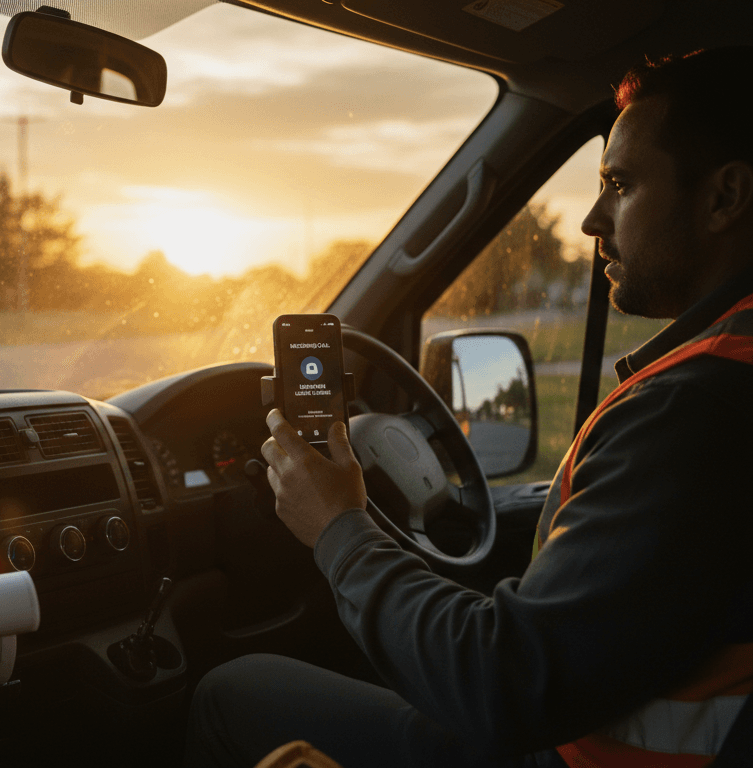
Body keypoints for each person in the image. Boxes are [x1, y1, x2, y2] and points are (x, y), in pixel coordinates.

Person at [185, 46, 753, 768]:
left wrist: (338, 528)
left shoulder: (697, 410)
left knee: (233, 691)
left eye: (620, 184)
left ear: (724, 197)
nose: (589, 219)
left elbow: (504, 684)